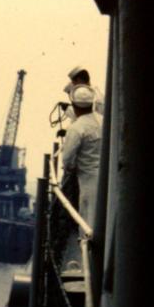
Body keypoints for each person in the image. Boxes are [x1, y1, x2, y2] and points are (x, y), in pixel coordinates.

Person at [61, 86, 102, 223]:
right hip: (108, 174)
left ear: (74, 105)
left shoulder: (76, 128)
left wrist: (71, 168)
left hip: (88, 178)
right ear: (92, 103)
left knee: (88, 215)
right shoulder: (104, 120)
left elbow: (67, 159)